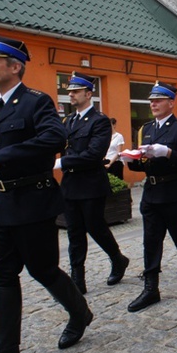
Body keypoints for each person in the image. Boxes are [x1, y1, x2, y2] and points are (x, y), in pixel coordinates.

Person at [0, 35, 91, 353]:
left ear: (15, 66)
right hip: (2, 205)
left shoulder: (37, 102)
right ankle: (6, 352)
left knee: (43, 269)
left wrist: (0, 158)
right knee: (3, 275)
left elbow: (54, 140)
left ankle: (79, 313)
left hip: (33, 202)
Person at [122, 82, 177, 313]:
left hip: (174, 191)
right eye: (151, 101)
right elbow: (145, 164)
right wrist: (130, 160)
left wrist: (167, 152)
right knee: (151, 239)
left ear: (171, 102)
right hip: (151, 192)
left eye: (158, 100)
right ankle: (151, 288)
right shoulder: (147, 129)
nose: (153, 104)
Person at [56, 72, 130, 295]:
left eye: (76, 91)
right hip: (71, 183)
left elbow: (93, 154)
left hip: (90, 183)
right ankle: (78, 279)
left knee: (95, 227)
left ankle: (117, 259)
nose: (71, 95)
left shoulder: (99, 121)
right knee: (74, 232)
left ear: (89, 94)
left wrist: (62, 162)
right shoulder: (68, 120)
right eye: (69, 91)